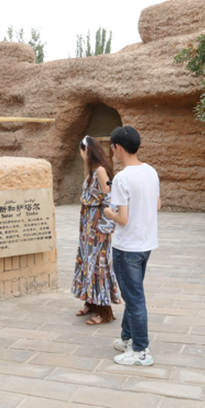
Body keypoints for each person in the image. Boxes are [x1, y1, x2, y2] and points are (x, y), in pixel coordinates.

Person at [103, 126, 160, 366]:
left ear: (118, 147)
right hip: (146, 244)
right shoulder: (151, 171)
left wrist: (109, 213)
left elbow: (123, 219)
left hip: (127, 247)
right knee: (133, 294)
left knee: (134, 299)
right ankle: (127, 339)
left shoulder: (122, 178)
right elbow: (157, 205)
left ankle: (141, 351)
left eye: (112, 147)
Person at [72, 135, 121, 325]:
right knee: (87, 263)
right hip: (87, 228)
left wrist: (104, 228)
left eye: (81, 151)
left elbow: (110, 201)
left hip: (97, 228)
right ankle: (91, 302)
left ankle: (104, 310)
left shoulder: (100, 171)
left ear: (86, 150)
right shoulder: (92, 171)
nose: (81, 154)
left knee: (99, 266)